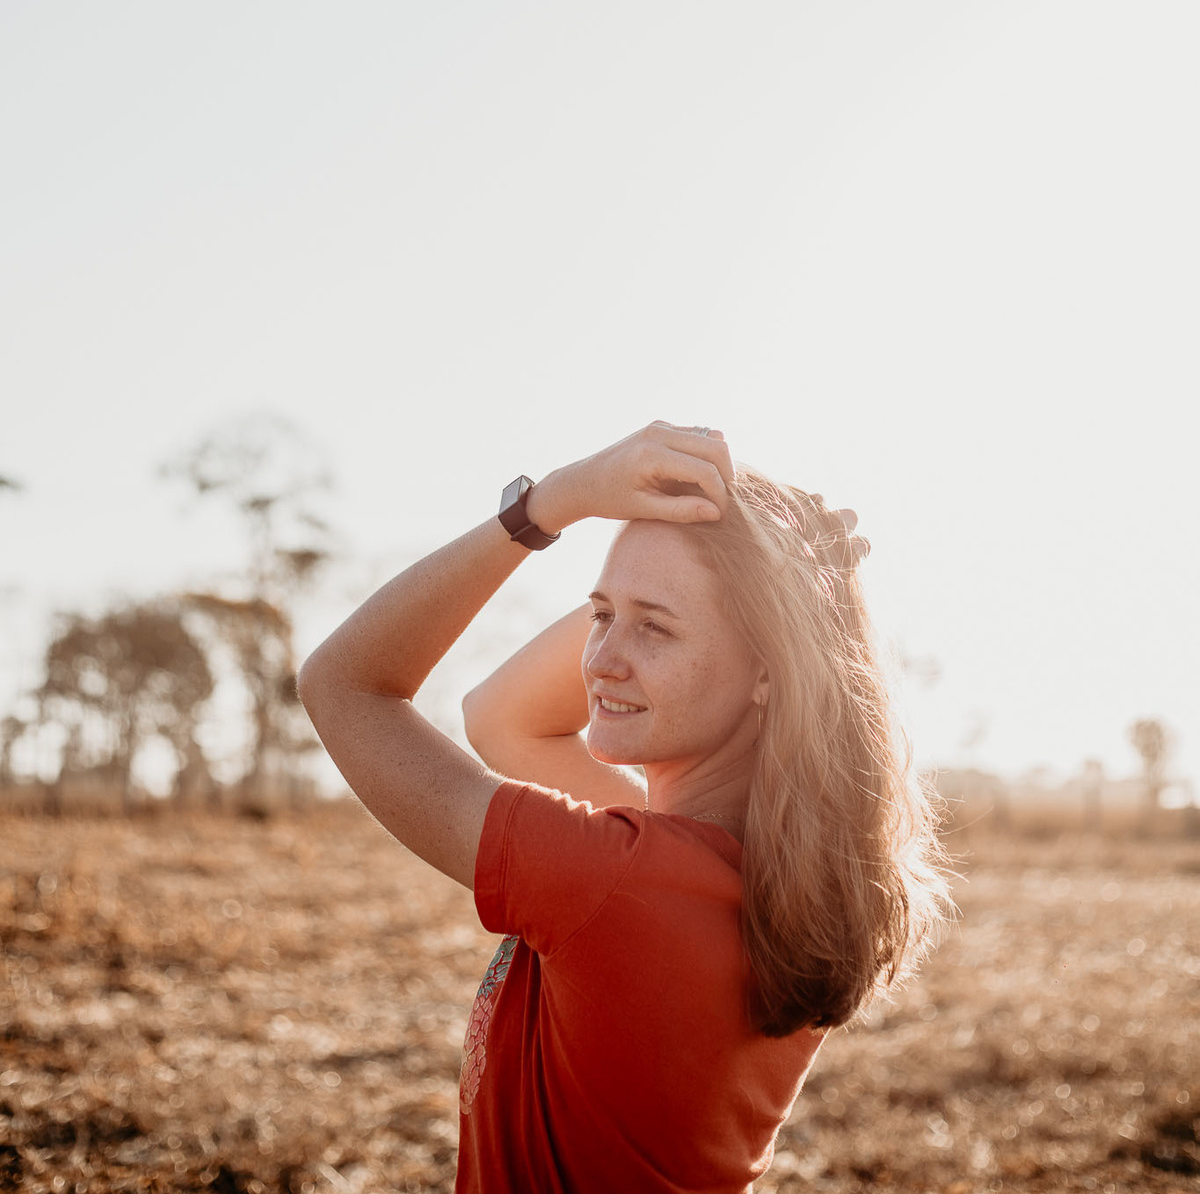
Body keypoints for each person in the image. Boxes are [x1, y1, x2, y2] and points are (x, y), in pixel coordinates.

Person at [298, 421, 952, 1193]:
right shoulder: (760, 871)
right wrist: (741, 569)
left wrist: (550, 505)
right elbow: (504, 720)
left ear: (768, 670)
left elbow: (344, 686)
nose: (601, 660)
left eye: (655, 629)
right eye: (601, 614)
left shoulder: (617, 884)